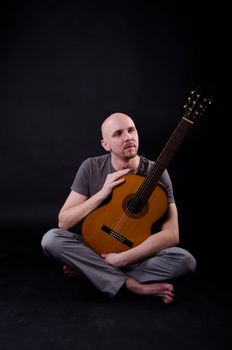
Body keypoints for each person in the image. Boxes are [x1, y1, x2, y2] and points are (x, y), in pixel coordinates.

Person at [41, 112, 196, 304]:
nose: (128, 137)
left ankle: (91, 272)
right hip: (96, 246)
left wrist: (123, 258)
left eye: (131, 130)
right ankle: (132, 285)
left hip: (134, 252)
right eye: (118, 133)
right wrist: (102, 193)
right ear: (106, 144)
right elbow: (64, 222)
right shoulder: (91, 167)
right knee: (51, 239)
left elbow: (172, 235)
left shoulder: (158, 173)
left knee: (185, 260)